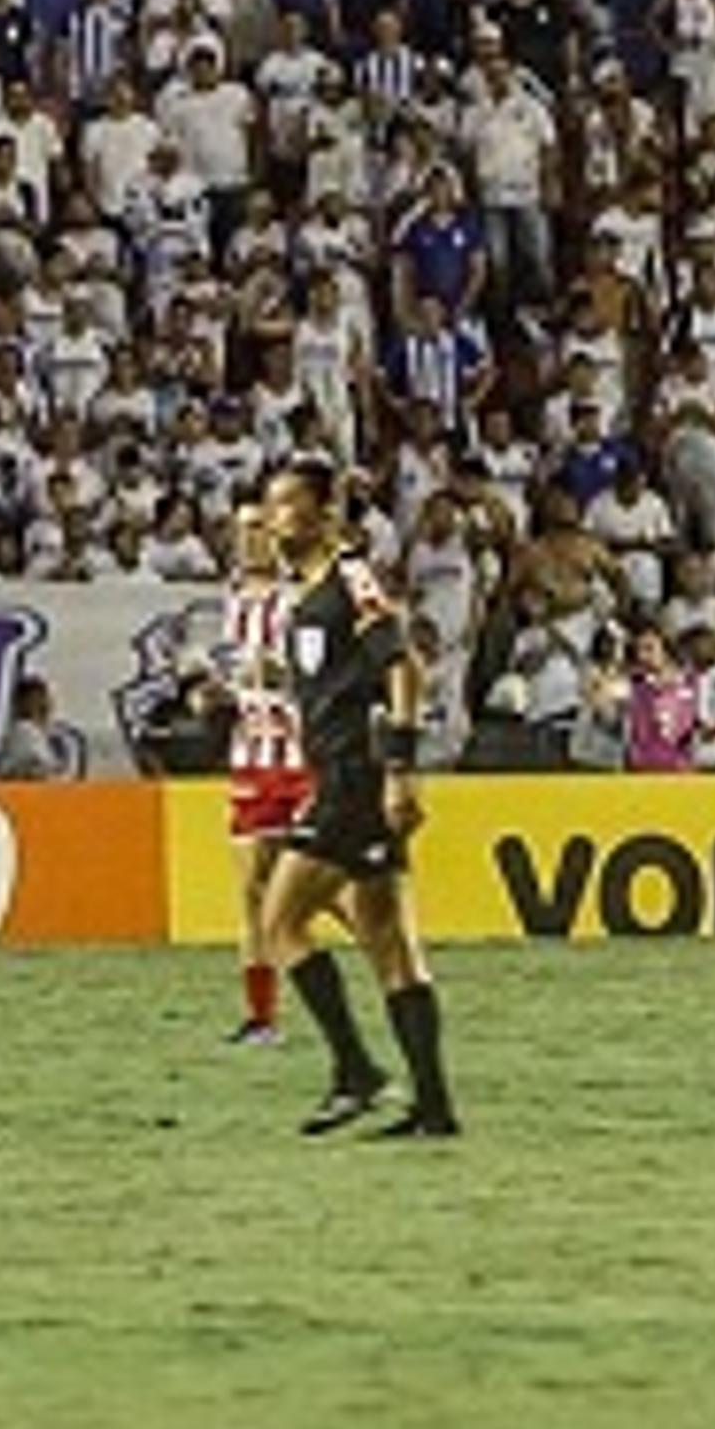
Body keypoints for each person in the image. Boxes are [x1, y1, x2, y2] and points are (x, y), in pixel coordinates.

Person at [254, 458, 456, 1139]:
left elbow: (402, 667)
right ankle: (434, 1108)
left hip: (355, 779)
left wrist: (400, 767)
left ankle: (356, 1071)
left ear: (323, 513)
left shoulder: (350, 578)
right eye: (269, 502)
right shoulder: (307, 591)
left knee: (279, 922)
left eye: (286, 502)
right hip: (341, 772)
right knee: (388, 941)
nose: (271, 514)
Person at [214, 498, 308, 1044]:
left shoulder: (300, 599)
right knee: (252, 893)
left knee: (321, 894)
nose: (251, 540)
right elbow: (238, 676)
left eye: (261, 530)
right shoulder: (231, 601)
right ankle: (262, 1018)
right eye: (244, 531)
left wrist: (282, 671)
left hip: (303, 760)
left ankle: (396, 975)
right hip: (252, 760)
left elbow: (326, 670)